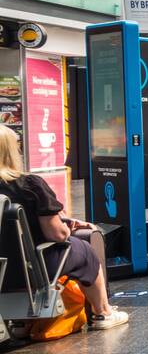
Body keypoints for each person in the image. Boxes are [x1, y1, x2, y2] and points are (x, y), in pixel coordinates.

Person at [0, 126, 128, 330]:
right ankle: (103, 313)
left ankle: (21, 323)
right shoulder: (29, 184)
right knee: (85, 250)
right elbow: (57, 234)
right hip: (31, 268)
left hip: (2, 273)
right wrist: (66, 228)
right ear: (11, 151)